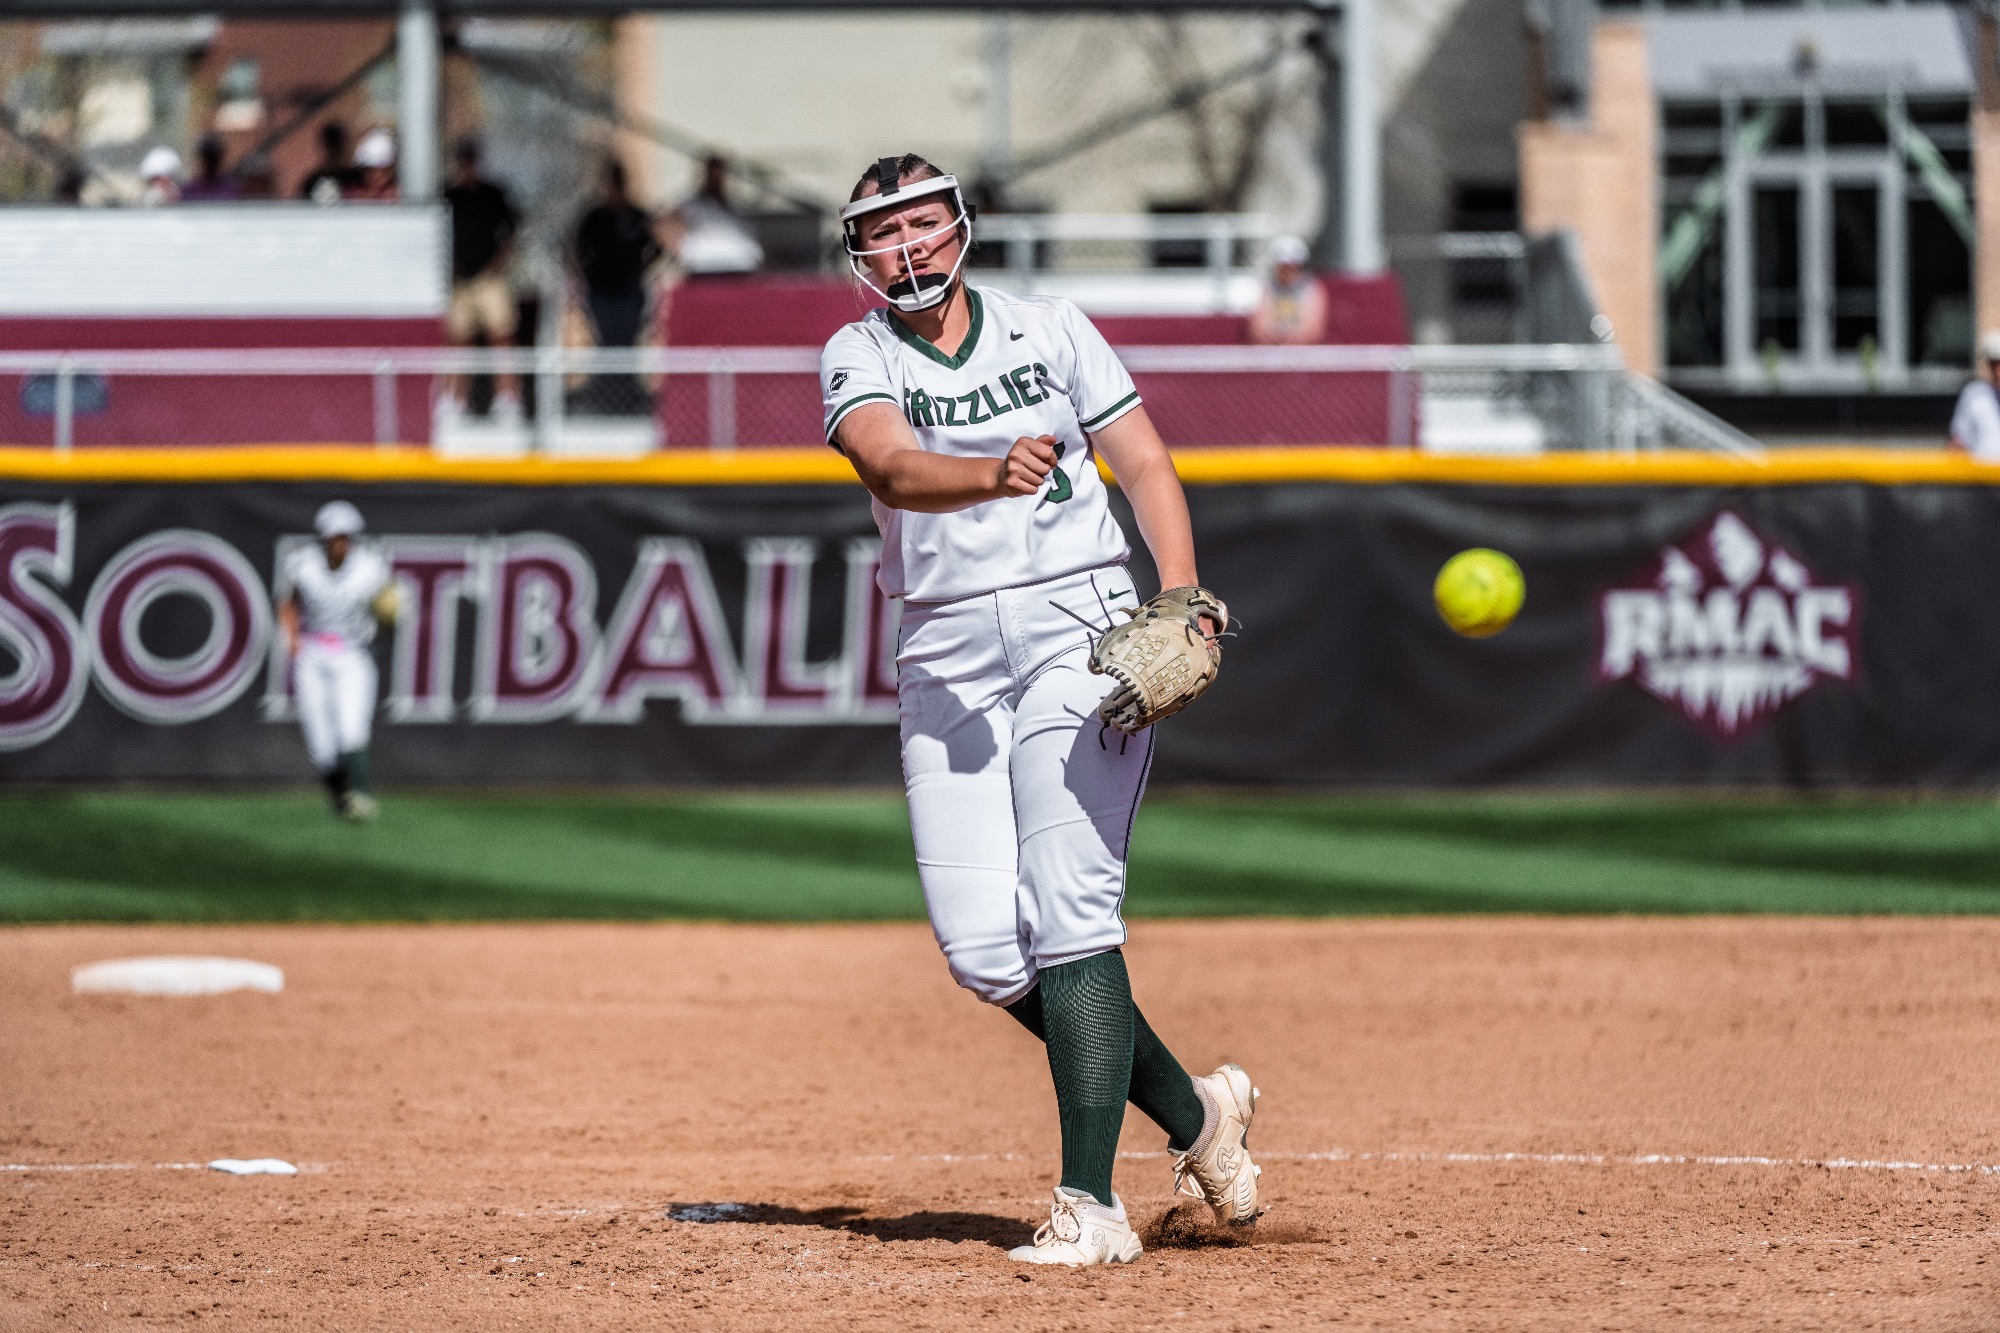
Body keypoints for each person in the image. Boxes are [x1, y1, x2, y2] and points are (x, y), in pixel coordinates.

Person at [819, 154, 1262, 1267]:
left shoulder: (1051, 327)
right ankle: (1199, 1114)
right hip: (946, 654)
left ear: (960, 225)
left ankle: (1087, 1203)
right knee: (982, 951)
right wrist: (985, 471)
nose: (907, 245)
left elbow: (1145, 462)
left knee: (1068, 901)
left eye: (922, 221)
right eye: (883, 232)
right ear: (858, 253)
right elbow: (888, 466)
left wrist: (1181, 596)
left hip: (1078, 625)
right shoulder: (855, 352)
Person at [277, 501, 399, 822]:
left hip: (352, 651)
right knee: (320, 742)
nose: (340, 543)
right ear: (323, 538)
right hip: (313, 651)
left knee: (352, 727)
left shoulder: (371, 567)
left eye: (346, 537)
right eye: (334, 537)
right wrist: (291, 643)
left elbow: (388, 609)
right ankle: (342, 798)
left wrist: (387, 623)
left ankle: (361, 795)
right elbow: (287, 605)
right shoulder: (302, 564)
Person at [441, 137, 522, 420]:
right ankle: (456, 400)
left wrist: (498, 265)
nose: (468, 167)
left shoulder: (494, 195)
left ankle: (508, 398)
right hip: (459, 282)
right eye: (464, 161)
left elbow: (511, 234)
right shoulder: (449, 197)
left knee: (500, 337)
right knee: (459, 341)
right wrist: (449, 268)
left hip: (489, 280)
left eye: (471, 160)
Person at [669, 153, 762, 275]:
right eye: (712, 173)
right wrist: (683, 252)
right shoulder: (691, 205)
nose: (716, 178)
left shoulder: (735, 206)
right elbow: (664, 226)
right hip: (705, 268)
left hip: (739, 267)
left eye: (721, 173)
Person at [1247, 234, 1327, 345]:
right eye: (1284, 266)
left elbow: (1312, 329)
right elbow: (1257, 327)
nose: (1288, 271)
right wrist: (1273, 337)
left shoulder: (1311, 289)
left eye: (1293, 266)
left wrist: (1291, 339)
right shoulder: (1267, 289)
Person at [1949, 332, 2000, 460]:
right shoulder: (1974, 395)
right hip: (1980, 476)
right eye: (1994, 364)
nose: (1998, 371)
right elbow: (1957, 443)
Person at [298, 121, 356, 204]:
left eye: (337, 145)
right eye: (332, 145)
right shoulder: (313, 181)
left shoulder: (353, 178)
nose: (334, 151)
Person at [179, 134, 240, 201]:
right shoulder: (233, 189)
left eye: (213, 159)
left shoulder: (189, 190)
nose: (210, 164)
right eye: (208, 159)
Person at [347, 130, 398, 202]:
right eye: (369, 171)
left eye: (383, 171)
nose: (376, 176)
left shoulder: (398, 195)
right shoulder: (352, 195)